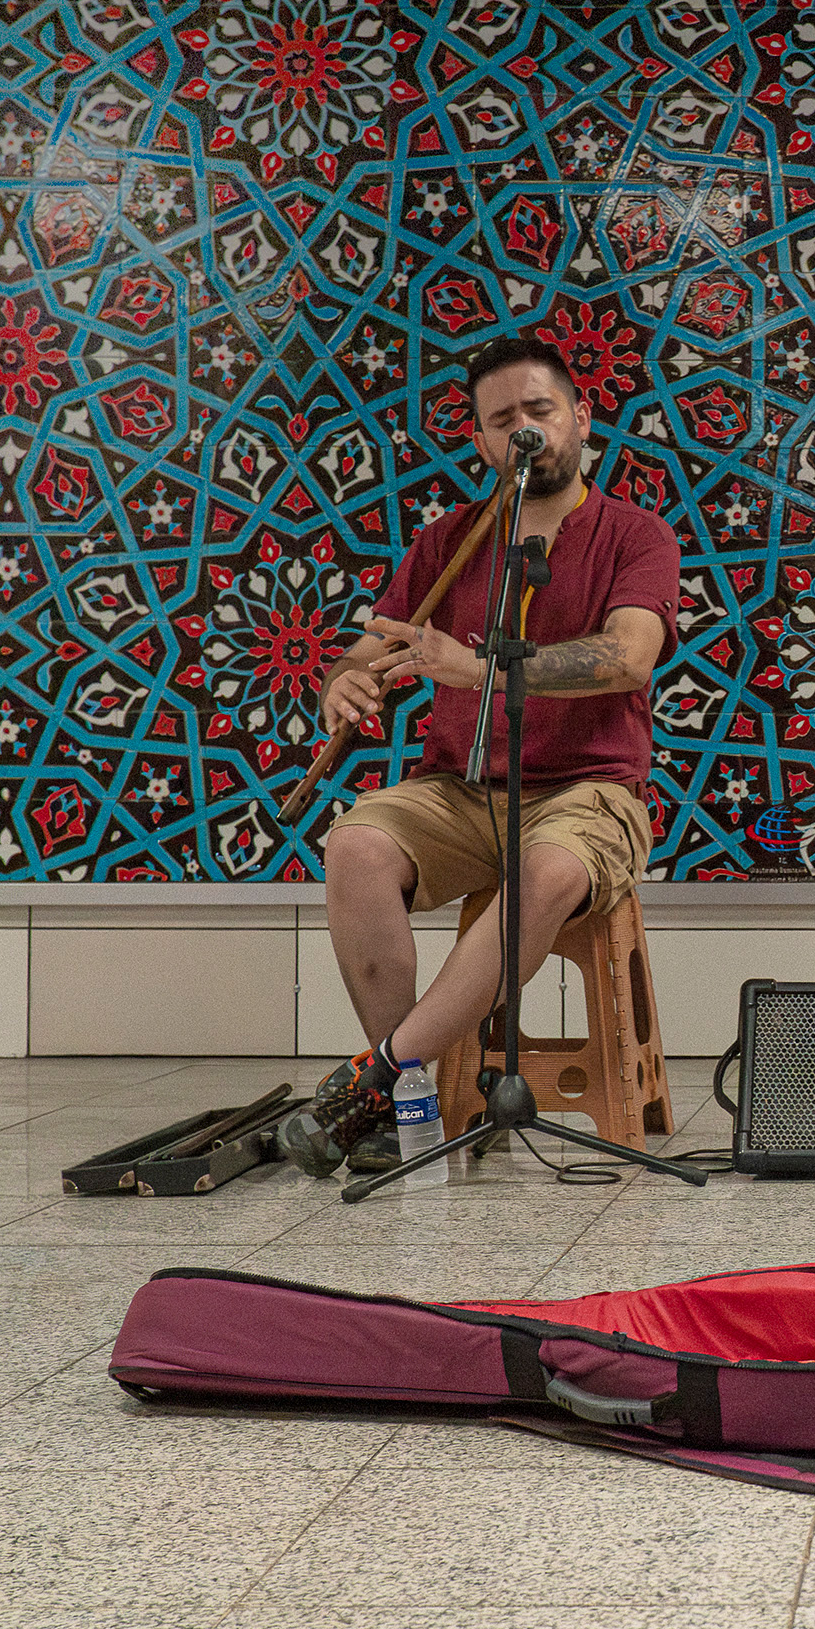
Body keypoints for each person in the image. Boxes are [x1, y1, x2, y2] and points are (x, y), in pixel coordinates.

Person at [276, 335, 680, 1176]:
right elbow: (366, 649)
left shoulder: (636, 535)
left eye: (541, 410)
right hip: (461, 788)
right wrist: (341, 687)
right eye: (504, 420)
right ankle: (411, 1095)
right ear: (483, 443)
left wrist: (485, 667)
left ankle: (381, 1077)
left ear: (580, 418)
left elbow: (630, 655)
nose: (526, 430)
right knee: (353, 844)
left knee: (549, 870)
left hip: (589, 790)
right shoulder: (452, 540)